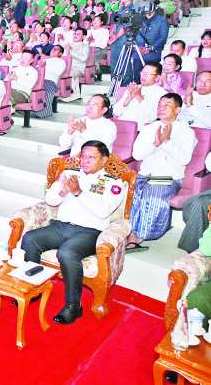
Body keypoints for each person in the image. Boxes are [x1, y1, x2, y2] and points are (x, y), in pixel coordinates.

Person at [21, 141, 126, 325]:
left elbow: (103, 212)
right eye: (83, 156)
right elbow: (50, 200)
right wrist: (62, 192)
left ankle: (73, 306)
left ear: (104, 160)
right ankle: (33, 287)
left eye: (91, 157)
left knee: (67, 253)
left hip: (89, 232)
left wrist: (78, 192)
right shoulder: (70, 174)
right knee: (30, 239)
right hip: (61, 226)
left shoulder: (113, 184)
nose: (85, 160)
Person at [126, 93, 194, 251]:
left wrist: (166, 142)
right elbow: (137, 155)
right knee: (130, 193)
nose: (161, 108)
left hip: (168, 177)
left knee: (153, 195)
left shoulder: (186, 131)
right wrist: (155, 144)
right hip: (145, 175)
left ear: (177, 109)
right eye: (159, 105)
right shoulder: (148, 128)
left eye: (167, 105)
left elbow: (184, 159)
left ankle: (137, 236)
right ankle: (126, 231)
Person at [114, 62, 168, 126]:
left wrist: (139, 96)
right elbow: (116, 112)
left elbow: (150, 117)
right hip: (121, 124)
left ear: (157, 77)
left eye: (147, 74)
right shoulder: (134, 88)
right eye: (143, 73)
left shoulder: (161, 93)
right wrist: (128, 99)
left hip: (140, 128)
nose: (143, 76)